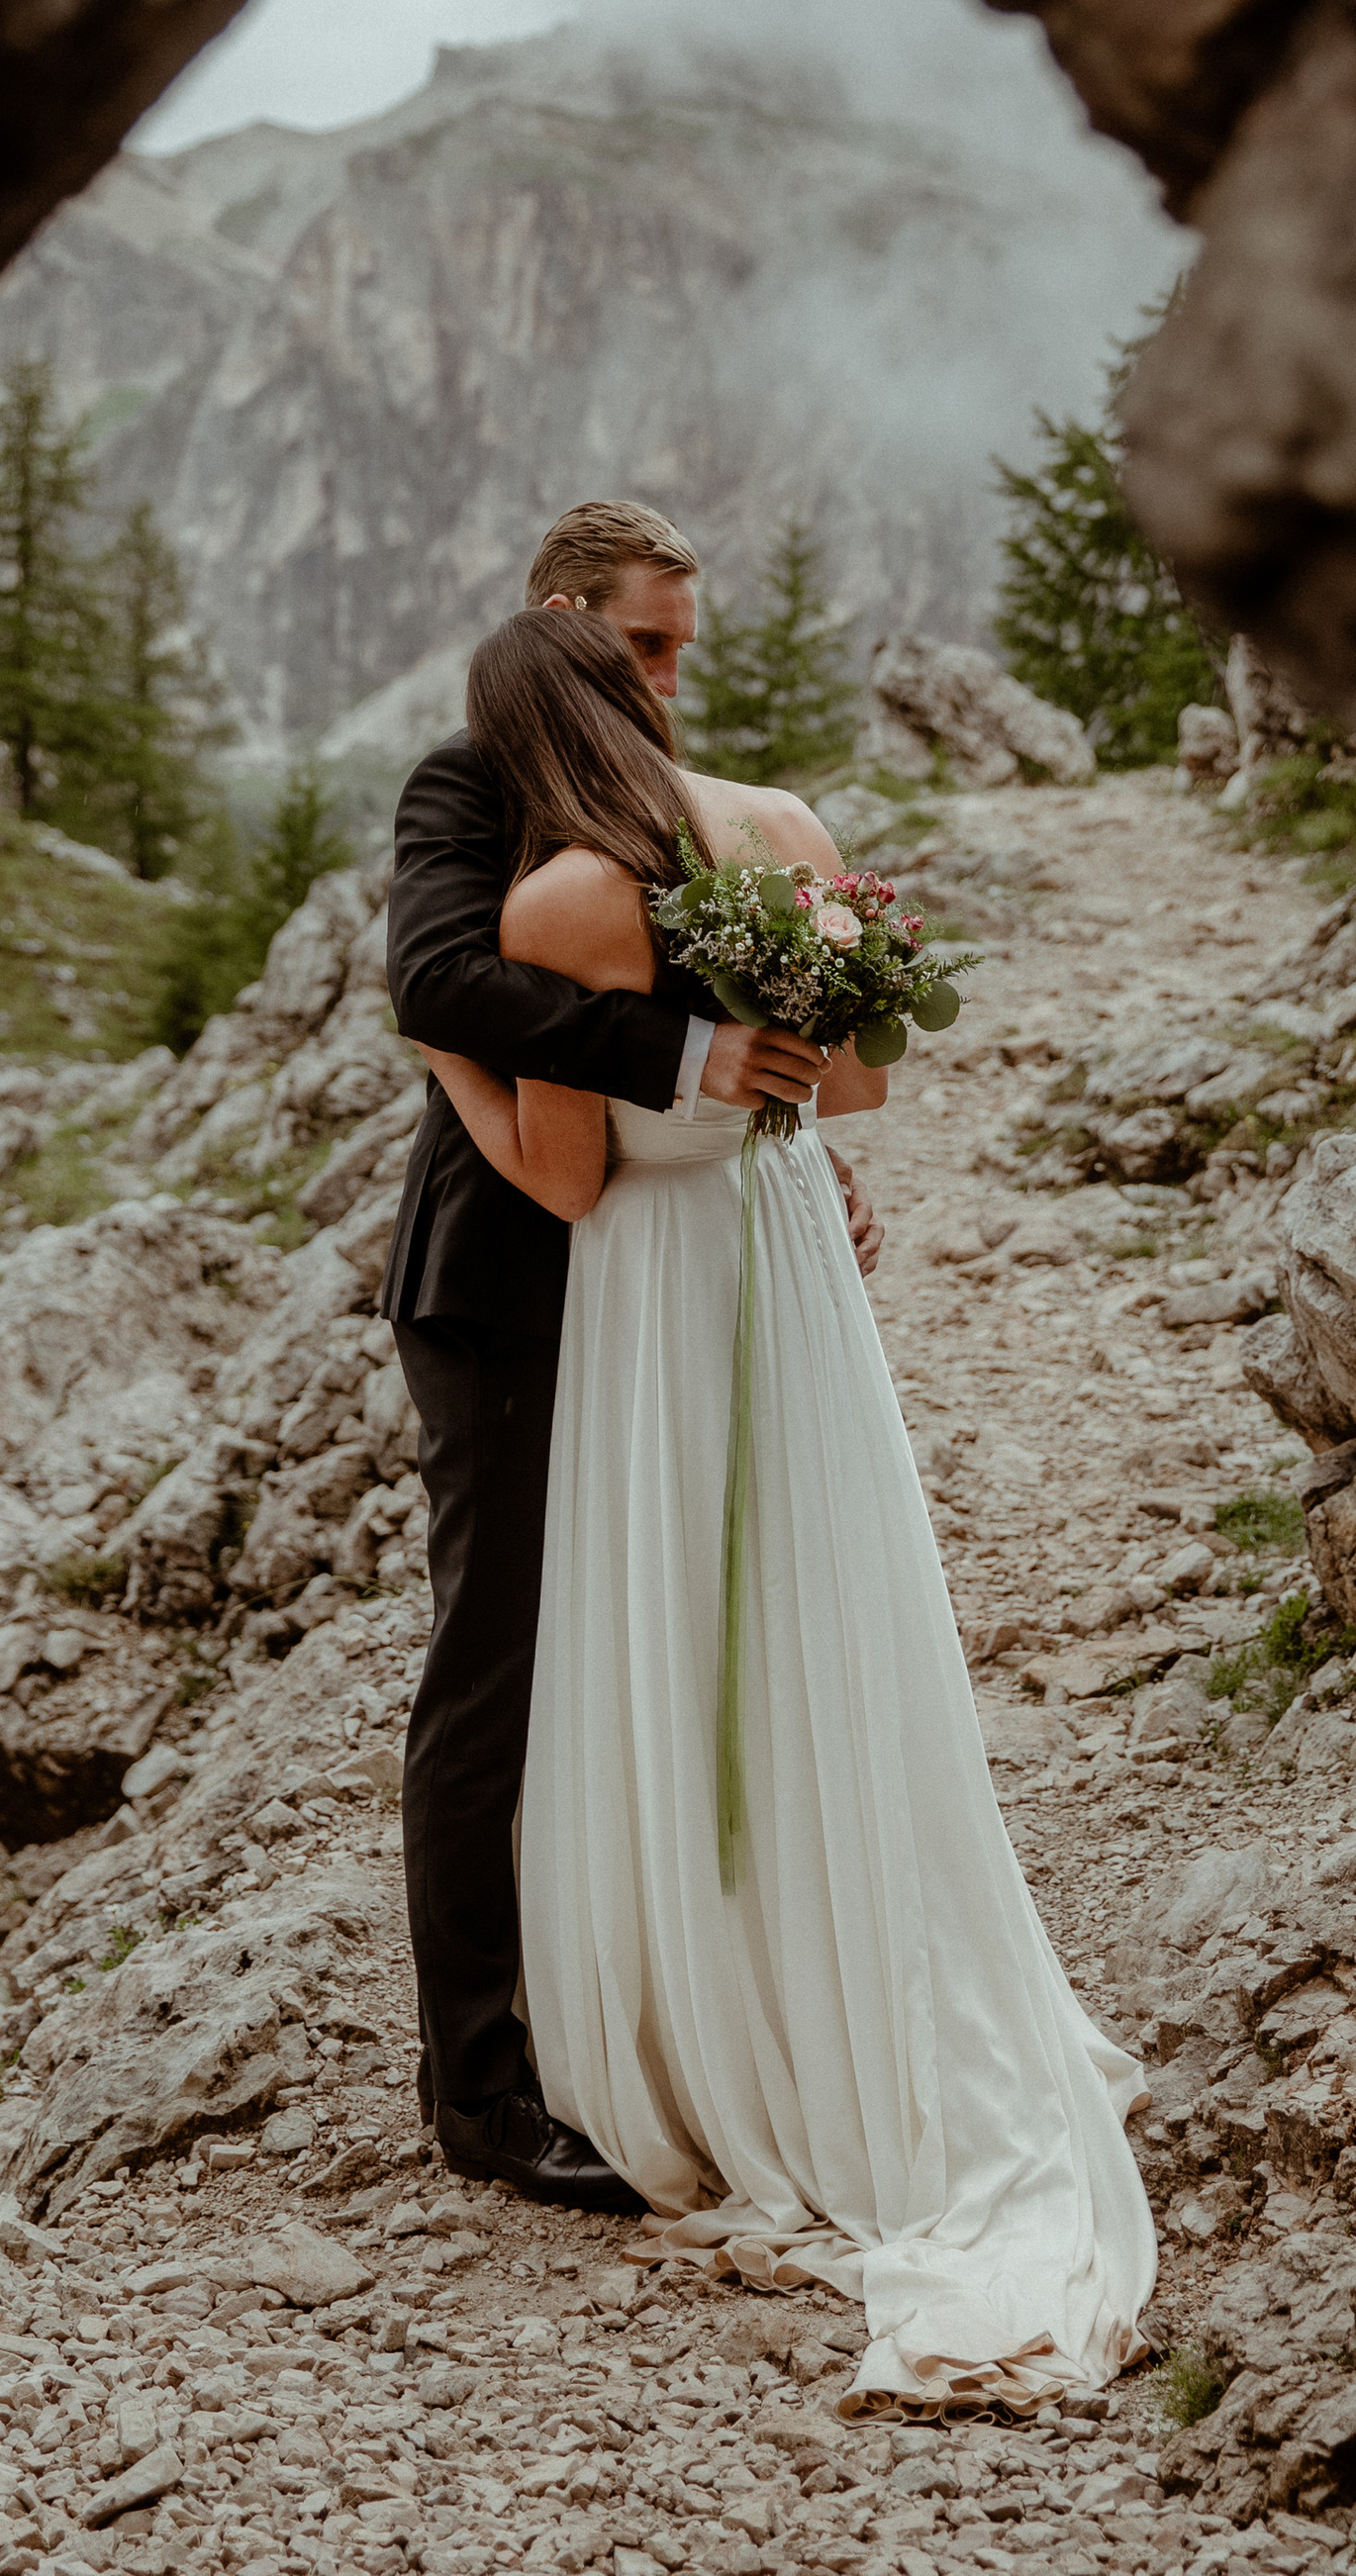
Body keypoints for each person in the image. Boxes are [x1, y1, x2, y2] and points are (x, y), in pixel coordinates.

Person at [416, 609, 1156, 2413]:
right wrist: (773, 1128)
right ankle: (866, 1981)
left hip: (660, 1302)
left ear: (521, 739)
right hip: (794, 1262)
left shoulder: (565, 904)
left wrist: (446, 1064)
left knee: (671, 1635)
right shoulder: (793, 839)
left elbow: (568, 1182)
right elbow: (865, 1088)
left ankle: (698, 2019)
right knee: (824, 1615)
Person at [384, 501, 883, 2215]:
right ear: (562, 623)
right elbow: (437, 975)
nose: (668, 681)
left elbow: (783, 1047)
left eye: (682, 649)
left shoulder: (681, 810)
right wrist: (689, 1056)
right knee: (497, 1670)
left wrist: (787, 1150)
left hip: (667, 1272)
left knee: (657, 1647)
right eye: (641, 647)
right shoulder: (467, 783)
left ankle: (664, 2012)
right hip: (514, 1282)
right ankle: (483, 2084)